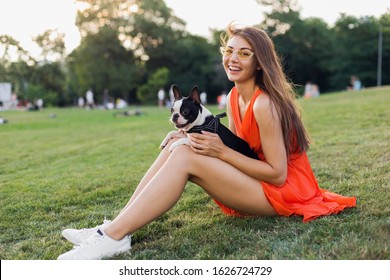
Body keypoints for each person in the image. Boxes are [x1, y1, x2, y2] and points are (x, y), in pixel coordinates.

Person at [57, 24, 356, 260]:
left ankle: (112, 237)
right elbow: (244, 148)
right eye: (229, 50)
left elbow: (277, 173)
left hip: (284, 192)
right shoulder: (234, 96)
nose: (233, 59)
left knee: (186, 155)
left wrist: (220, 151)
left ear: (260, 63)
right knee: (180, 144)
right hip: (260, 184)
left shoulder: (265, 105)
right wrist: (188, 134)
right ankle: (112, 230)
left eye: (244, 53)